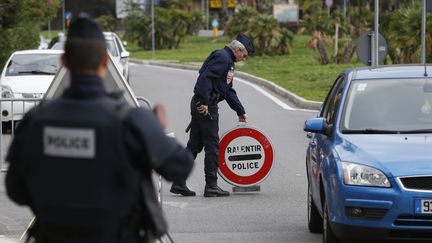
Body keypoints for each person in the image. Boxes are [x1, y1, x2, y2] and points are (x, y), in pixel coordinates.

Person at [5, 13, 194, 243]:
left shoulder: (35, 122)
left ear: (64, 62)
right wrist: (154, 130)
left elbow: (16, 189)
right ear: (106, 61)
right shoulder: (132, 122)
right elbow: (181, 167)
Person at [170, 33, 255, 197]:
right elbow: (204, 78)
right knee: (212, 146)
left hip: (204, 104)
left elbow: (228, 90)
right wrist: (203, 103)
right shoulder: (223, 58)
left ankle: (178, 183)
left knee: (194, 145)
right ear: (237, 49)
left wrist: (240, 110)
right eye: (244, 54)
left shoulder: (227, 61)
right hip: (206, 106)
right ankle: (211, 186)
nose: (244, 58)